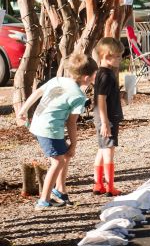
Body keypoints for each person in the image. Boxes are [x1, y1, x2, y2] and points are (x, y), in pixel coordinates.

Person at [16, 52, 98, 210]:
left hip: (40, 124)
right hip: (49, 129)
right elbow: (71, 123)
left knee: (64, 156)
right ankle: (44, 200)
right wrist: (74, 143)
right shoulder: (78, 96)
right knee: (58, 161)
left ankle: (61, 192)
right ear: (87, 78)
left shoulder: (58, 80)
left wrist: (22, 111)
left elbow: (37, 93)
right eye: (95, 74)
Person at [92, 38, 127, 196]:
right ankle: (109, 186)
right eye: (118, 56)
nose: (120, 59)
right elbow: (101, 99)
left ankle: (98, 183)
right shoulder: (106, 75)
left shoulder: (102, 72)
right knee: (109, 151)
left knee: (102, 149)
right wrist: (106, 122)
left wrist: (119, 94)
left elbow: (106, 95)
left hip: (104, 117)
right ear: (106, 56)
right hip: (107, 118)